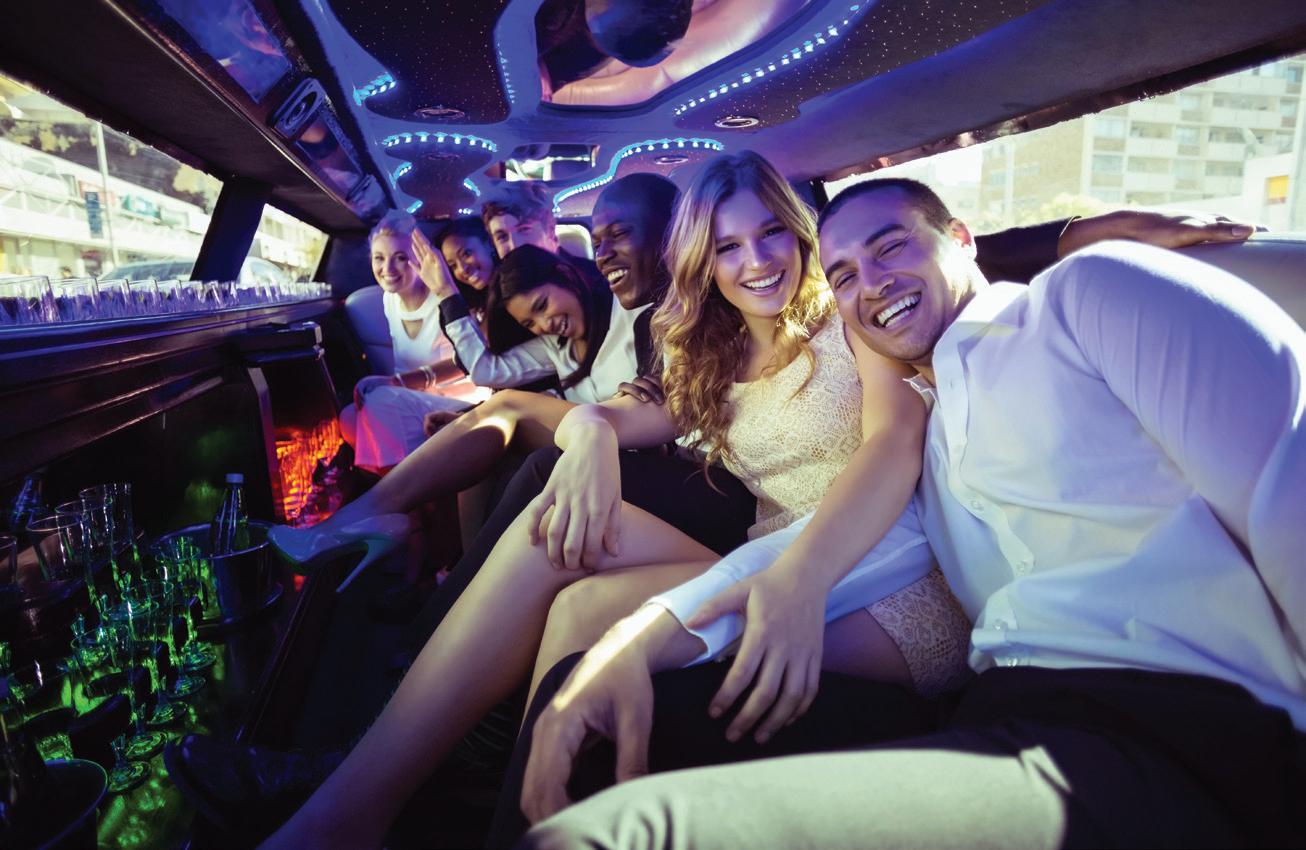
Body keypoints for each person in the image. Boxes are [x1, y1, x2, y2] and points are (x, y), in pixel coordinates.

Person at [510, 178, 1306, 849]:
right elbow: (829, 543)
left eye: (890, 247)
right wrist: (636, 641)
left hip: (1182, 722)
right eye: (845, 274)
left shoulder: (1086, 297)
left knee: (616, 835)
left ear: (961, 238)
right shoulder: (926, 432)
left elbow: (1288, 493)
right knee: (592, 712)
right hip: (1002, 720)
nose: (872, 283)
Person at [255, 151, 982, 850]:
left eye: (770, 234)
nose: (757, 261)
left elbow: (894, 444)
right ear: (703, 262)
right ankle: (383, 809)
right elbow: (604, 416)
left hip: (881, 574)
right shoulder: (716, 356)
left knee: (581, 596)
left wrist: (800, 578)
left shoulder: (849, 318)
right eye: (728, 247)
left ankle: (465, 818)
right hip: (764, 555)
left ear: (799, 234)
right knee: (559, 535)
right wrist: (596, 438)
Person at [338, 212, 492, 472]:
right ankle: (409, 485)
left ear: (420, 259)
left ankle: (403, 488)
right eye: (379, 258)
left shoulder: (446, 297)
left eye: (400, 258)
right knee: (349, 418)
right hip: (411, 398)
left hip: (457, 400)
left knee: (381, 401)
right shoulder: (389, 299)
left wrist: (397, 382)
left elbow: (468, 359)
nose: (388, 269)